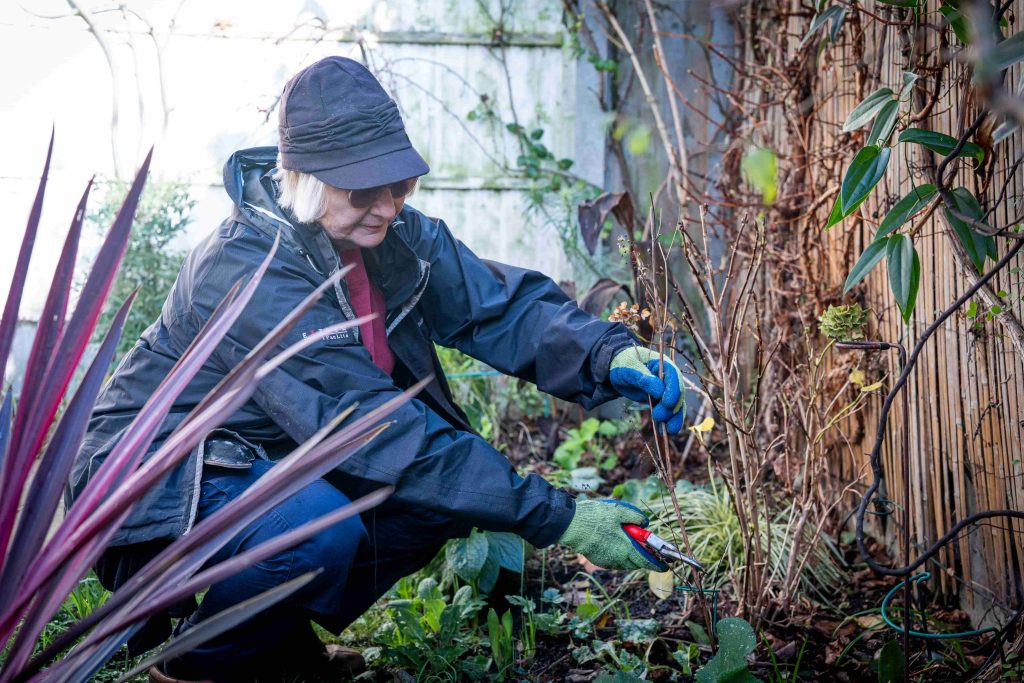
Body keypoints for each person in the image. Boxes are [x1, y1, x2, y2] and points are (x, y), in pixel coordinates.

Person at [68, 56, 686, 682]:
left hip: (264, 457)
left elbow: (497, 307)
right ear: (305, 180)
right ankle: (198, 666)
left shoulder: (390, 237)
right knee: (314, 529)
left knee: (437, 502)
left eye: (400, 185)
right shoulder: (247, 270)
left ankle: (270, 643)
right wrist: (561, 516)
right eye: (364, 190)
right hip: (154, 475)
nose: (388, 206)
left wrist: (605, 353)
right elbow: (374, 427)